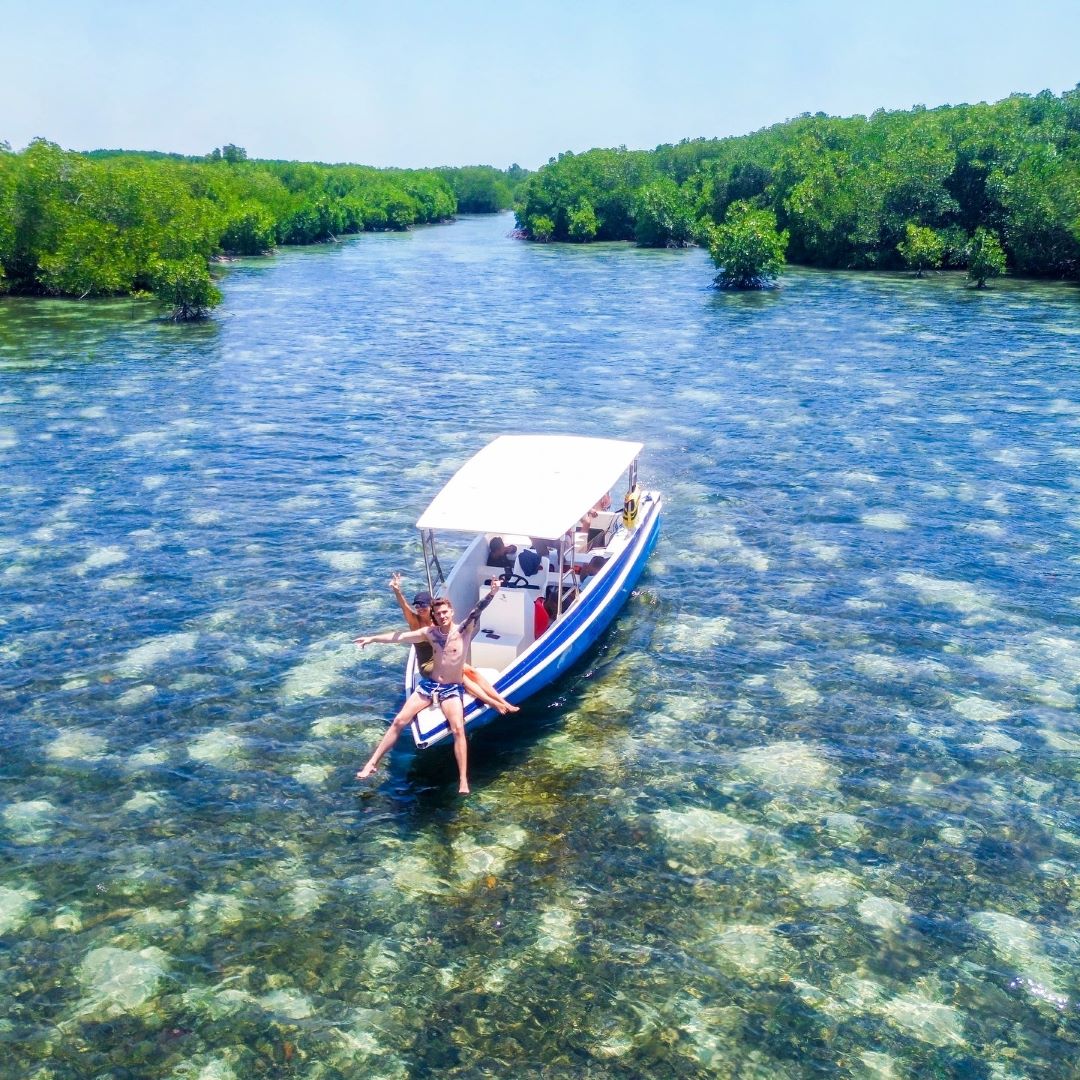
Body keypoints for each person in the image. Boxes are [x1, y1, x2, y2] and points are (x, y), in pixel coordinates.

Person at [355, 579, 501, 794]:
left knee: (458, 729)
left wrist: (492, 593)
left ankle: (463, 779)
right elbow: (400, 637)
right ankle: (372, 762)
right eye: (438, 613)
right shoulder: (430, 633)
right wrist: (372, 638)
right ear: (435, 615)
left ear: (451, 612)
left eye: (445, 612)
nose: (442, 616)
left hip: (451, 688)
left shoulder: (463, 629)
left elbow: (477, 610)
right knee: (399, 721)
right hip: (429, 685)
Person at [388, 573, 518, 715]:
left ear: (431, 607)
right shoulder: (415, 621)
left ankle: (502, 700)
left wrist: (492, 593)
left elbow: (463, 623)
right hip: (428, 665)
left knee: (472, 672)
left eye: (423, 605)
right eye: (417, 605)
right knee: (461, 676)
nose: (419, 608)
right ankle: (493, 703)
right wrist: (397, 590)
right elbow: (404, 607)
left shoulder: (437, 620)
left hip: (444, 659)